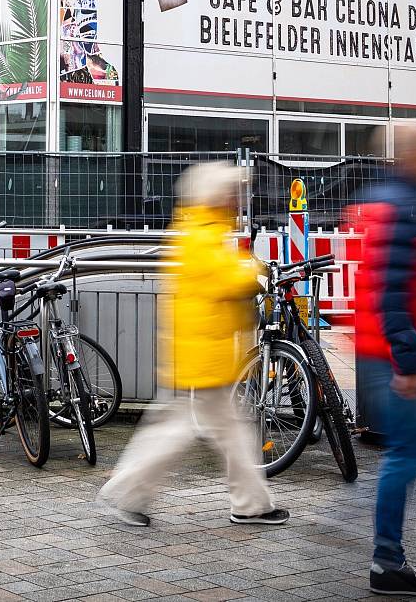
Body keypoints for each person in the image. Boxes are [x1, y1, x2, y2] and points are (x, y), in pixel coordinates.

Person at [97, 161, 287, 528]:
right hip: (203, 357)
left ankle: (250, 504)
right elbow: (228, 280)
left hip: (203, 353)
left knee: (219, 432)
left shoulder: (200, 230)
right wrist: (257, 269)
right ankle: (125, 494)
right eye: (232, 193)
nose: (238, 199)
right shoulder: (203, 236)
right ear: (217, 196)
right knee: (182, 432)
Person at [348, 128, 416, 598]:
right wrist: (408, 364)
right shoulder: (400, 206)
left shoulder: (389, 199)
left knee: (413, 452)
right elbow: (391, 292)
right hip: (397, 354)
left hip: (387, 349)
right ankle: (386, 559)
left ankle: (383, 547)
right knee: (407, 454)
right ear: (413, 155)